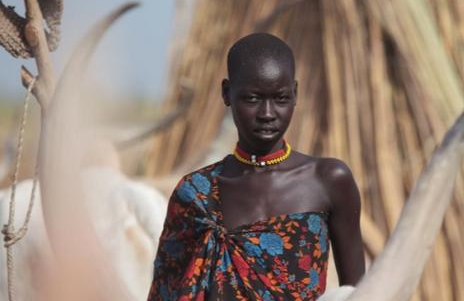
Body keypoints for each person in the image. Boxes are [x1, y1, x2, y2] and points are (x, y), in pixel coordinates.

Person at [148, 33, 365, 300]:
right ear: (227, 93)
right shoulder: (195, 193)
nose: (267, 114)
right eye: (252, 99)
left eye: (281, 98)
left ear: (295, 94)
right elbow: (165, 292)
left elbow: (360, 294)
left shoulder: (329, 180)